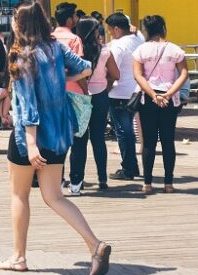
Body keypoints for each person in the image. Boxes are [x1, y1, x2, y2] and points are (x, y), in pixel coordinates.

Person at [0, 1, 109, 275]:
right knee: (55, 196)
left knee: (19, 194)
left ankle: (19, 256)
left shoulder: (21, 56)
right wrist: (59, 77)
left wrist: (31, 144)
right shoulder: (56, 48)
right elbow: (85, 68)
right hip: (59, 134)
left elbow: (27, 104)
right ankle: (95, 245)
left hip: (29, 137)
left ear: (20, 25)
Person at [131, 15, 188, 195]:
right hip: (170, 99)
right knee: (168, 141)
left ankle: (147, 183)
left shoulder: (141, 50)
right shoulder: (175, 50)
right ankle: (168, 183)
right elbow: (184, 74)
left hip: (148, 98)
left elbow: (138, 75)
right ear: (164, 28)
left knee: (148, 142)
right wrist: (168, 94)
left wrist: (153, 94)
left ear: (147, 30)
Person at [68, 18, 120, 195]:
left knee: (79, 140)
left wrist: (85, 89)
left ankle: (77, 180)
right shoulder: (105, 50)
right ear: (95, 32)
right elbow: (116, 74)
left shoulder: (76, 50)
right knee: (98, 138)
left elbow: (75, 73)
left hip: (80, 97)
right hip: (100, 97)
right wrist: (106, 85)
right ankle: (102, 178)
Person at [105, 12, 142, 182]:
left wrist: (105, 88)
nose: (111, 33)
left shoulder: (118, 46)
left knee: (123, 131)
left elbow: (113, 72)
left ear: (117, 29)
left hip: (119, 92)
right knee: (129, 131)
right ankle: (132, 165)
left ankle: (128, 168)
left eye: (111, 30)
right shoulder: (138, 40)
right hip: (137, 92)